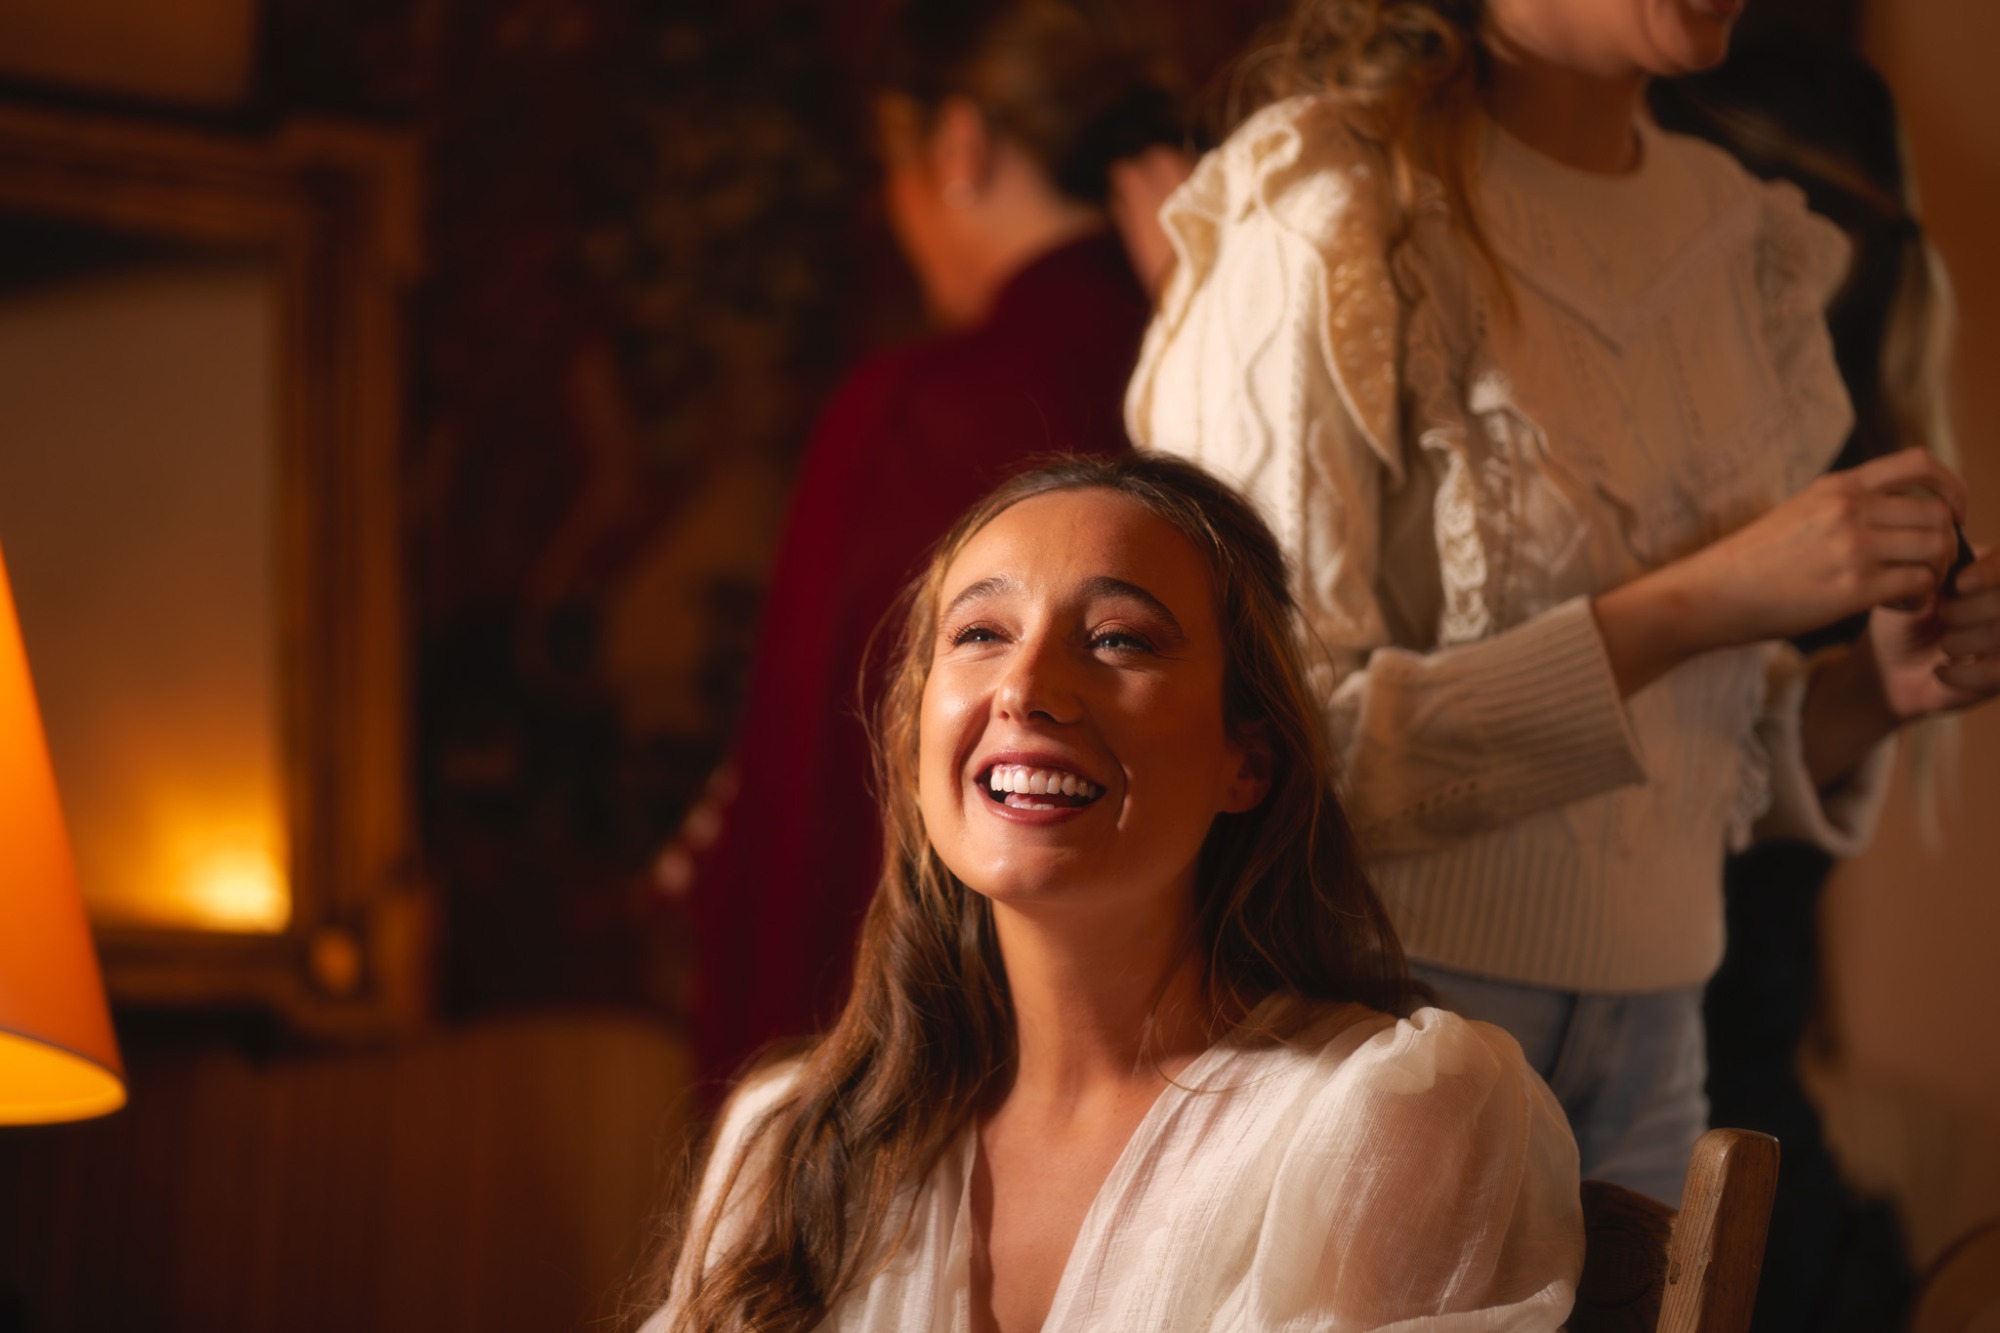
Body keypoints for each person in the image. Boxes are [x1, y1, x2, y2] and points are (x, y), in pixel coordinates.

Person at [1123, 0, 2000, 1204]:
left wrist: (1875, 690)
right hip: (1376, 1023)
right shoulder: (1331, 203)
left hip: (1658, 1053)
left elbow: (1692, 765)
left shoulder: (1742, 236)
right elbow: (1269, 749)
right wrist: (1707, 596)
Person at [639, 454, 1583, 1332]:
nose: (1026, 687)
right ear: (918, 736)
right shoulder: (789, 1143)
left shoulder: (1384, 1115)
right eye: (978, 634)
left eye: (1118, 639)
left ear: (1245, 761)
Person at [678, 0, 1181, 1088]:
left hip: (917, 1032)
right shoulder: (1196, 357)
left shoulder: (907, 411)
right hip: (1161, 1024)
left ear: (958, 147)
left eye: (891, 166)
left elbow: (820, 781)